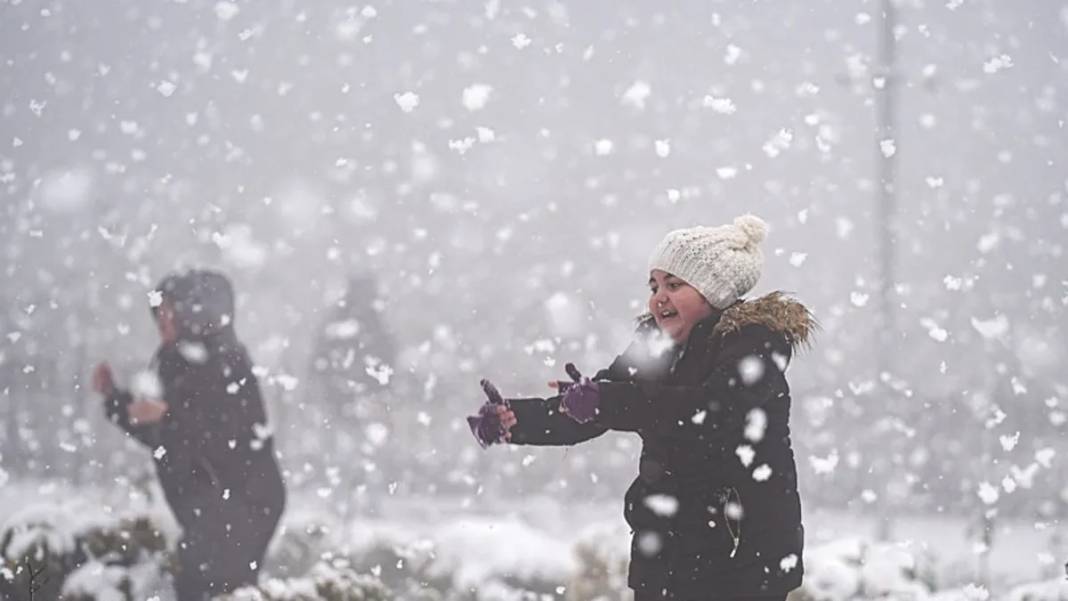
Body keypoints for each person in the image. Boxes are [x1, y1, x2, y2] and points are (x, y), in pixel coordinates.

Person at [468, 215, 814, 601]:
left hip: (743, 557)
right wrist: (516, 421)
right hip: (665, 553)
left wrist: (607, 401)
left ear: (713, 291)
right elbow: (599, 403)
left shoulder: (756, 344)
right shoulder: (655, 344)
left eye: (674, 284)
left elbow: (708, 410)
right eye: (654, 285)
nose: (658, 297)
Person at [93, 269, 286, 601]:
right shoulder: (173, 361)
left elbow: (227, 433)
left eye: (169, 312)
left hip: (240, 504)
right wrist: (115, 399)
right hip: (208, 509)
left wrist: (169, 415)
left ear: (193, 312)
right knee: (205, 587)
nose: (161, 322)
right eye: (158, 314)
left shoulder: (226, 360)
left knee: (209, 588)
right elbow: (162, 434)